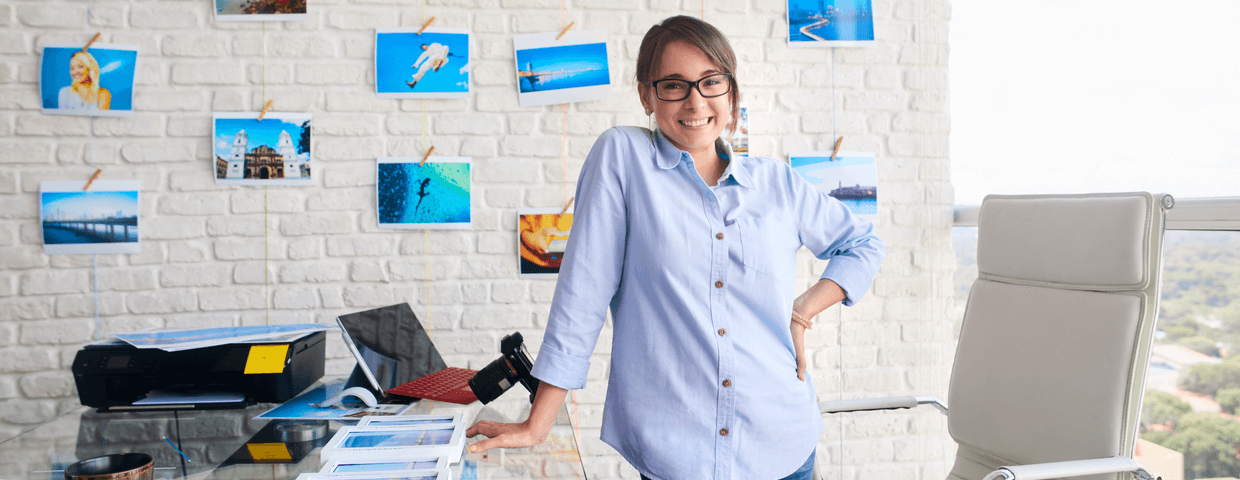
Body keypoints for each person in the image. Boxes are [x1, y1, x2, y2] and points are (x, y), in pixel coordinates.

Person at [466, 15, 884, 480]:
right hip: (677, 454)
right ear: (646, 94)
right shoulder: (622, 159)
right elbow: (581, 297)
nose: (695, 101)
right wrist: (537, 423)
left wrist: (803, 311)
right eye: (674, 85)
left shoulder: (778, 184)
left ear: (732, 95)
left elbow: (862, 244)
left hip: (782, 444)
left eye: (711, 83)